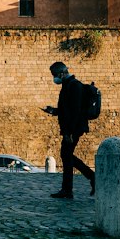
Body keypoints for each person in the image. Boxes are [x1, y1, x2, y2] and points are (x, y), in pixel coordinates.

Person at [42, 61, 95, 199]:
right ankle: (87, 180)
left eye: (54, 75)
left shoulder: (74, 86)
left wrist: (69, 132)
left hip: (74, 128)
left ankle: (70, 188)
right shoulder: (68, 86)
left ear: (62, 73)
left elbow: (75, 112)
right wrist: (54, 111)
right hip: (71, 128)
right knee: (67, 155)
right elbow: (67, 110)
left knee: (66, 155)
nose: (54, 78)